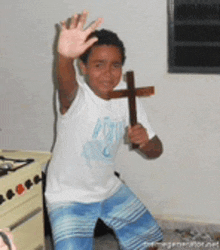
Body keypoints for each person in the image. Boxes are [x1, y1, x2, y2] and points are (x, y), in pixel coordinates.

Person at [45, 10, 163, 250]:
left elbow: (156, 150)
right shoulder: (76, 99)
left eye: (115, 65)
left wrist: (145, 142)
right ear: (83, 67)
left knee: (150, 242)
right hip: (68, 196)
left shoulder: (127, 97)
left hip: (107, 187)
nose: (108, 74)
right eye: (99, 65)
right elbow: (65, 85)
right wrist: (64, 57)